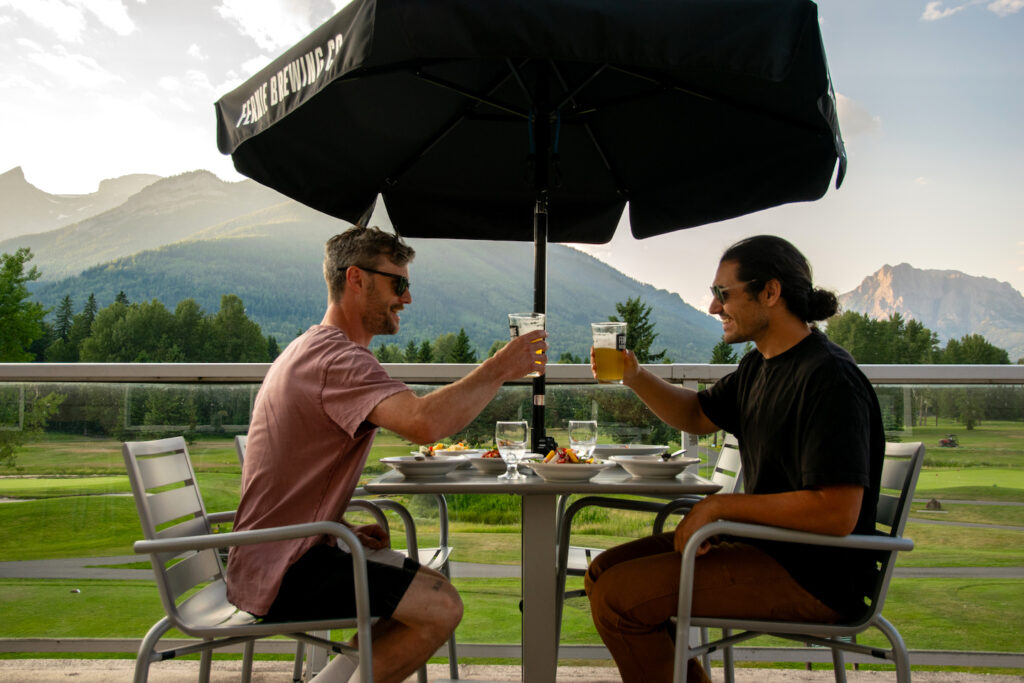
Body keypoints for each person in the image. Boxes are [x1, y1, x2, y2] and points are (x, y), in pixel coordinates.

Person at [227, 225, 548, 683]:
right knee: (440, 606)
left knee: (424, 596)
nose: (407, 298)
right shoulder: (336, 359)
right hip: (285, 570)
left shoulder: (315, 348)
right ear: (356, 279)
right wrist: (500, 366)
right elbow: (423, 423)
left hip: (280, 553)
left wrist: (334, 526)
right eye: (398, 284)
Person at [585, 235, 884, 683]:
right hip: (765, 547)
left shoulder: (829, 378)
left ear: (770, 292)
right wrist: (635, 375)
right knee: (602, 572)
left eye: (722, 294)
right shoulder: (759, 367)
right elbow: (695, 414)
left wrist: (720, 506)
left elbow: (837, 512)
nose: (713, 307)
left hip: (816, 575)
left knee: (619, 598)